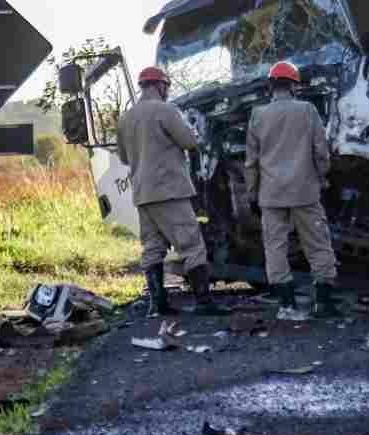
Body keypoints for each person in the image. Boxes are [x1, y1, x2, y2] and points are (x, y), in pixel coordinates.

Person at [115, 66, 221, 316]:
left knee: (152, 247)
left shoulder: (125, 118)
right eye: (166, 87)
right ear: (160, 85)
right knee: (192, 245)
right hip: (170, 191)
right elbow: (190, 142)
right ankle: (204, 303)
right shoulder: (166, 110)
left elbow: (123, 157)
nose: (167, 91)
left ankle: (158, 304)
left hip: (143, 193)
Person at [245, 61, 340, 318]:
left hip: (271, 195)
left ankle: (287, 306)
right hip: (305, 191)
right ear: (294, 86)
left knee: (275, 247)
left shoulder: (257, 115)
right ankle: (324, 304)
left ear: (270, 87)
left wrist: (252, 193)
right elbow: (321, 152)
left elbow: (251, 161)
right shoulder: (307, 111)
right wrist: (323, 178)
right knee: (318, 244)